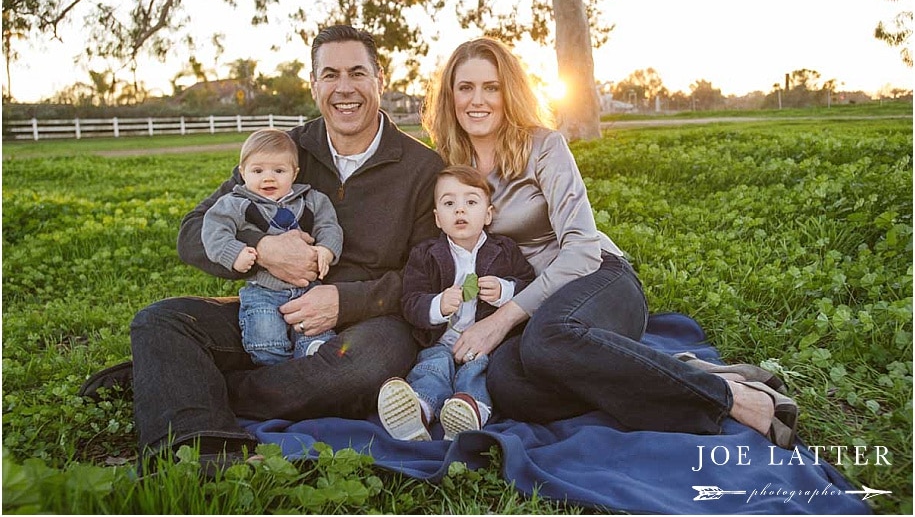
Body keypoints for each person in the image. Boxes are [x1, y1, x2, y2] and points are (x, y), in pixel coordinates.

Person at [81, 25, 445, 463]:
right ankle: (201, 446)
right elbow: (194, 229)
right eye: (329, 75)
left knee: (359, 369)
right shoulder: (282, 149)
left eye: (356, 73)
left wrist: (344, 302)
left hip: (372, 322)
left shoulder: (422, 167)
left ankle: (183, 381)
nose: (343, 88)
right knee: (161, 321)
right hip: (270, 305)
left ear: (378, 79)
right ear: (313, 84)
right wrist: (263, 251)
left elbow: (428, 273)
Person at [421, 37, 798, 450]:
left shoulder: (544, 147)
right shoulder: (449, 167)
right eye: (465, 87)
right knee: (510, 387)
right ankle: (662, 368)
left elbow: (581, 249)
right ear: (450, 96)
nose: (478, 100)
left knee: (547, 341)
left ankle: (729, 397)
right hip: (535, 305)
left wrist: (503, 318)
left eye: (491, 87)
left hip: (598, 279)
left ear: (508, 91)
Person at [377, 165, 535, 441]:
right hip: (441, 341)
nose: (460, 210)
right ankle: (420, 411)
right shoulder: (425, 255)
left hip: (486, 343)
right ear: (438, 218)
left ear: (488, 214)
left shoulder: (505, 250)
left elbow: (528, 285)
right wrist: (437, 304)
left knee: (476, 372)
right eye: (449, 203)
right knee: (432, 368)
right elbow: (411, 301)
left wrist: (504, 290)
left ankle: (470, 412)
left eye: (471, 202)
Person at [202, 128, 342, 364]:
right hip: (263, 290)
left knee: (314, 333)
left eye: (279, 170)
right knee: (266, 338)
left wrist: (326, 250)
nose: (268, 178)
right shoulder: (236, 203)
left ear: (294, 173)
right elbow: (214, 230)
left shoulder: (311, 200)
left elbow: (329, 227)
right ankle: (272, 367)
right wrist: (234, 253)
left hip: (309, 289)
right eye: (258, 171)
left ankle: (311, 354)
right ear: (242, 173)